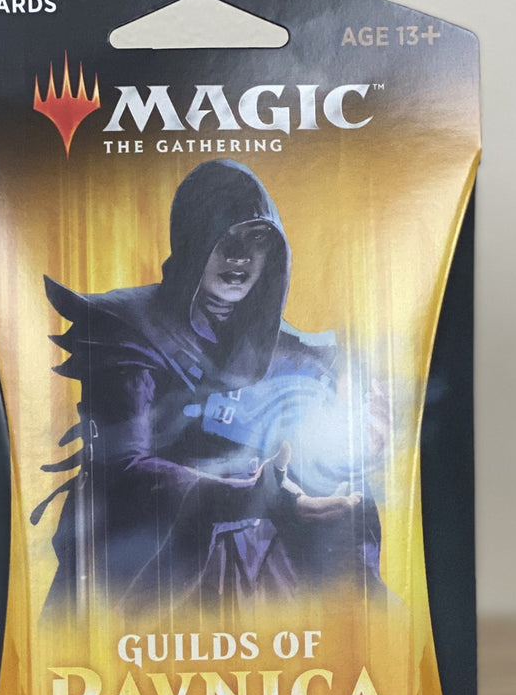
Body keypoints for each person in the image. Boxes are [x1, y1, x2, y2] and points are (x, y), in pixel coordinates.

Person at [35, 159, 384, 619]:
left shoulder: (292, 353)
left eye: (256, 238)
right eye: (224, 234)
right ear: (193, 237)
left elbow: (306, 466)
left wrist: (354, 457)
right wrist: (256, 494)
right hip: (153, 563)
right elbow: (124, 468)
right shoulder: (127, 325)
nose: (239, 255)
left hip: (262, 555)